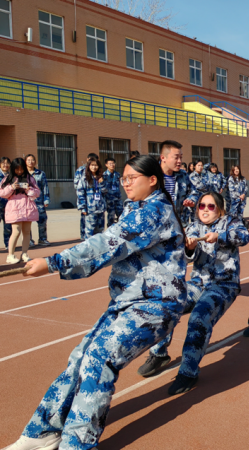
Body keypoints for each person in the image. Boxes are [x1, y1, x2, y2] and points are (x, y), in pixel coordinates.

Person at [3, 156, 187, 450]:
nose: (126, 184)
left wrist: (53, 262)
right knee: (80, 356)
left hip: (155, 305)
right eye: (123, 179)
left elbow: (107, 244)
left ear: (152, 180)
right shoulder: (136, 207)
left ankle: (77, 444)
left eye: (132, 178)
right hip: (127, 303)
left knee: (99, 358)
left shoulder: (153, 211)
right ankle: (42, 432)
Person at [137, 192, 249, 394]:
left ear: (220, 209)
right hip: (198, 283)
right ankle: (159, 353)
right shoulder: (193, 227)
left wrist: (220, 237)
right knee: (169, 303)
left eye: (210, 206)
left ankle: (188, 372)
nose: (205, 210)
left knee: (199, 318)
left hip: (224, 285)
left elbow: (244, 236)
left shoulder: (231, 222)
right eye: (201, 206)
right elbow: (187, 259)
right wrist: (189, 249)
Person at [0, 158, 41, 264]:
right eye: (17, 169)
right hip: (14, 208)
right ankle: (10, 255)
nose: (19, 171)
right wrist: (12, 187)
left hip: (28, 207)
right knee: (16, 231)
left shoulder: (30, 178)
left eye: (21, 169)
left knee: (27, 232)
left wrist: (28, 189)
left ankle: (24, 254)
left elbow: (37, 192)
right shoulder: (7, 179)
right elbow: (2, 193)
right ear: (13, 169)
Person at [159, 140, 198, 218]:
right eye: (176, 158)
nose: (179, 161)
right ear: (163, 157)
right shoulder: (152, 176)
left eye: (181, 157)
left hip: (179, 222)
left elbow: (194, 192)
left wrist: (191, 200)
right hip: (158, 223)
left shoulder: (183, 175)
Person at [77, 157, 107, 239]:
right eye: (92, 165)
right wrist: (83, 208)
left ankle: (99, 249)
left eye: (96, 165)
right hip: (90, 209)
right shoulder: (84, 178)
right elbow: (80, 193)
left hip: (100, 208)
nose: (94, 167)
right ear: (88, 166)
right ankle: (89, 249)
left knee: (100, 231)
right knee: (89, 231)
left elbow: (105, 191)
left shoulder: (101, 177)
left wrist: (102, 183)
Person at [25, 154, 50, 248]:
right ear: (25, 162)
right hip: (27, 202)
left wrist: (46, 199)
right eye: (28, 160)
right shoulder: (23, 174)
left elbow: (45, 187)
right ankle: (29, 240)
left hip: (39, 202)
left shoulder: (40, 173)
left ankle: (42, 239)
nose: (30, 162)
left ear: (35, 161)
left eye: (32, 160)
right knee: (27, 222)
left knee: (42, 220)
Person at [74, 153, 99, 240]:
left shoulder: (100, 175)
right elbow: (76, 184)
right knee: (84, 220)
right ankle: (83, 235)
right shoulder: (81, 170)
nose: (93, 166)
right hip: (86, 199)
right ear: (87, 159)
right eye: (91, 160)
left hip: (97, 203)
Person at [103, 157, 123, 226]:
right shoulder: (104, 175)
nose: (112, 165)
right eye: (110, 163)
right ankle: (110, 230)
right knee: (111, 216)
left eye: (113, 163)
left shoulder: (117, 174)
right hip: (109, 199)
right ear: (106, 165)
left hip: (118, 198)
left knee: (121, 215)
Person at [0, 157, 12, 250]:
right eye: (3, 163)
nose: (5, 165)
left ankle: (8, 244)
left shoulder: (12, 176)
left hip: (9, 205)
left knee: (8, 227)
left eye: (7, 163)